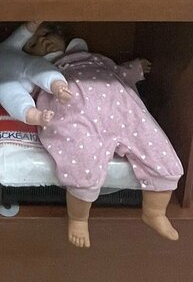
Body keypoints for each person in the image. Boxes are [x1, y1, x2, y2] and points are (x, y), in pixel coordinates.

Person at [20, 21, 183, 248]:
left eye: (46, 33)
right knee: (81, 160)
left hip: (122, 108)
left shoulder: (91, 58)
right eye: (33, 44)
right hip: (77, 116)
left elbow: (117, 72)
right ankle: (78, 218)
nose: (43, 42)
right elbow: (16, 92)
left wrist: (134, 68)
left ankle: (155, 211)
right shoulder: (37, 70)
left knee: (157, 147)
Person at [0, 21, 72, 126]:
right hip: (6, 83)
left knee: (38, 66)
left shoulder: (7, 45)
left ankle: (58, 86)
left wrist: (35, 22)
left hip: (25, 65)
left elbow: (24, 32)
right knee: (5, 92)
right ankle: (35, 116)